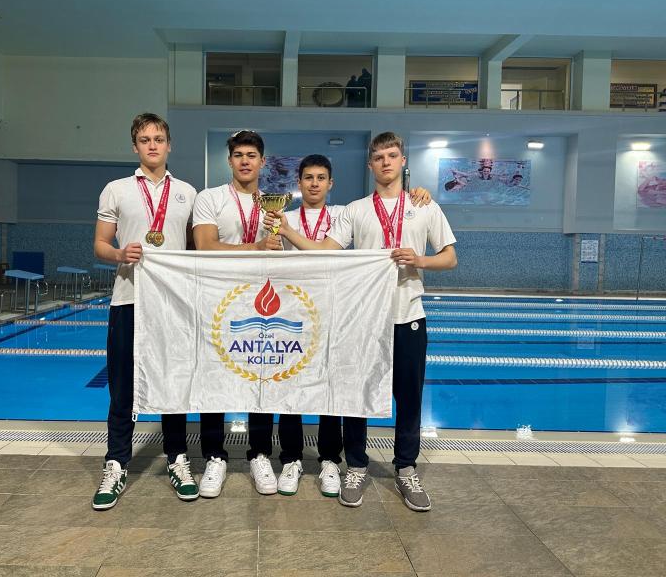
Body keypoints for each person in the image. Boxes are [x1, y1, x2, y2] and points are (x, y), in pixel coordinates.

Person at [272, 132, 457, 511]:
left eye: (392, 155)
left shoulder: (424, 206)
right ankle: (356, 465)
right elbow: (325, 252)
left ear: (402, 160)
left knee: (409, 398)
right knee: (356, 397)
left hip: (409, 316)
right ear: (370, 164)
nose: (386, 162)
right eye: (379, 157)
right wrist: (288, 232)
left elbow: (449, 257)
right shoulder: (356, 210)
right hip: (365, 319)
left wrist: (419, 260)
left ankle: (406, 468)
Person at [92, 112, 201, 509]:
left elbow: (196, 249)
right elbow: (100, 245)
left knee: (173, 384)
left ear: (169, 145)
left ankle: (177, 458)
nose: (152, 145)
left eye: (158, 139)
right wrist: (120, 253)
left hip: (173, 304)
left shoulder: (188, 193)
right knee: (122, 386)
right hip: (129, 299)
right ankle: (116, 463)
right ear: (135, 146)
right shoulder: (116, 190)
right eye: (144, 139)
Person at [192, 130, 298, 498]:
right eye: (238, 155)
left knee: (262, 374)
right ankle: (214, 456)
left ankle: (260, 453)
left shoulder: (274, 205)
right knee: (214, 377)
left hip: (259, 303)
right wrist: (256, 247)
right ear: (230, 161)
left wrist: (274, 244)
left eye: (251, 155)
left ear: (262, 162)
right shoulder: (210, 198)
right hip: (218, 302)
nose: (245, 161)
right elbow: (204, 246)